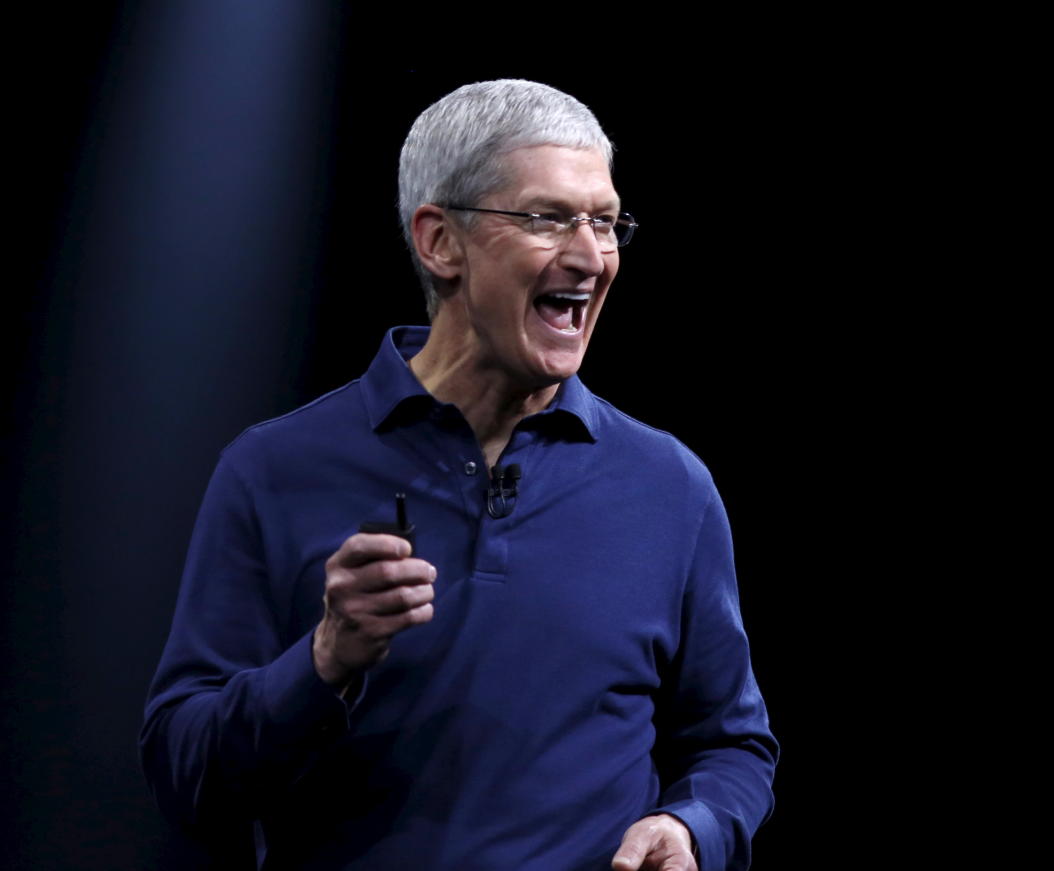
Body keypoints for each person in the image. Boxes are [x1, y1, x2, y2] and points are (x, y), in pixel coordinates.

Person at [141, 79, 777, 871]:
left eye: (607, 222)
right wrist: (325, 659)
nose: (591, 256)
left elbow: (732, 745)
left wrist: (696, 828)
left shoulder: (671, 485)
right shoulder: (273, 470)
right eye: (548, 218)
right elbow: (184, 776)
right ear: (440, 241)